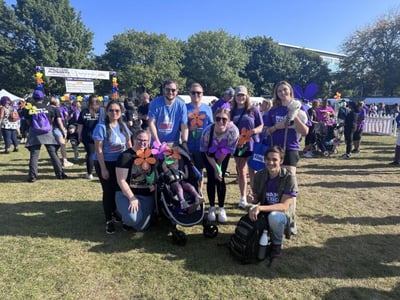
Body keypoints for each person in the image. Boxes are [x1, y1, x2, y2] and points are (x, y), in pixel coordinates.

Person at [263, 81, 309, 235]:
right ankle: (275, 217)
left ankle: (291, 220)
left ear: (290, 91)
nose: (282, 93)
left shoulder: (300, 109)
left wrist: (293, 115)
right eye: (279, 90)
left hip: (290, 150)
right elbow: (266, 131)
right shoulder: (273, 110)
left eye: (285, 90)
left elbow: (305, 131)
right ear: (276, 93)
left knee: (289, 186)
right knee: (275, 184)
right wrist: (277, 126)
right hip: (275, 150)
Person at [249, 146, 298, 258]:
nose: (271, 162)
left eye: (275, 159)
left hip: (281, 215)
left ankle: (276, 244)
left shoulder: (289, 178)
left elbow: (284, 206)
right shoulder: (259, 175)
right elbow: (256, 198)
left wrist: (260, 208)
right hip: (265, 211)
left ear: (281, 160)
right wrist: (252, 198)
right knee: (251, 211)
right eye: (268, 159)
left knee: (274, 216)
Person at [92, 100, 132, 234]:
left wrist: (132, 161)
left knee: (119, 189)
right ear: (107, 112)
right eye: (111, 110)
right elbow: (99, 150)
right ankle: (108, 219)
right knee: (108, 191)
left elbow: (129, 144)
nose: (114, 113)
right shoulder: (101, 127)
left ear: (121, 113)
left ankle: (116, 213)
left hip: (120, 163)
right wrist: (103, 168)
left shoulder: (123, 126)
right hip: (105, 162)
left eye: (117, 111)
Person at [200, 108, 239, 223]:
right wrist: (215, 168)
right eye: (218, 119)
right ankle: (212, 207)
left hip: (223, 154)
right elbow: (207, 152)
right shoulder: (207, 132)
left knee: (220, 179)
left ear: (229, 120)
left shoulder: (233, 132)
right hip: (209, 154)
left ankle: (221, 208)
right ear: (214, 119)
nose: (221, 122)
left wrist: (219, 167)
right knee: (211, 177)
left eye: (224, 119)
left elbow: (228, 150)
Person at [115, 130, 156, 231]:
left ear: (149, 141)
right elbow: (121, 180)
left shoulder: (152, 155)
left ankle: (141, 213)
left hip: (145, 194)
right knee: (132, 220)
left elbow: (154, 173)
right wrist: (132, 198)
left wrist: (154, 184)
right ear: (134, 139)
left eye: (145, 140)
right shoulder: (125, 156)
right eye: (139, 140)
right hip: (127, 194)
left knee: (141, 227)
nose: (142, 143)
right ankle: (122, 215)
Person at [230, 85, 263, 209]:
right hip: (239, 146)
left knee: (253, 170)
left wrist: (254, 131)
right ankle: (243, 197)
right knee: (241, 171)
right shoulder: (232, 112)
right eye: (238, 95)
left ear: (246, 96)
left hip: (253, 144)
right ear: (235, 97)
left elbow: (261, 126)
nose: (240, 97)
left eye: (243, 95)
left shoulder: (253, 110)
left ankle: (253, 195)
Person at [24, 90, 67, 182]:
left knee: (34, 155)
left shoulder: (29, 108)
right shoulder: (49, 108)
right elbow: (51, 120)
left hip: (34, 133)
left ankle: (32, 176)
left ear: (34, 98)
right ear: (43, 98)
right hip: (47, 132)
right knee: (53, 154)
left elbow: (27, 121)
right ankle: (60, 174)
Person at [186, 83, 213, 193]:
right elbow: (179, 126)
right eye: (193, 92)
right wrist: (189, 128)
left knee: (200, 170)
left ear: (202, 94)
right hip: (188, 145)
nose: (196, 95)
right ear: (189, 94)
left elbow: (212, 126)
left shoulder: (207, 109)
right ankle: (192, 193)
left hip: (203, 146)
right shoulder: (185, 107)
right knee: (190, 170)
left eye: (198, 93)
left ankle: (200, 192)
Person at [148, 80, 188, 146]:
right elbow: (151, 123)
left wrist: (184, 142)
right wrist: (157, 142)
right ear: (164, 90)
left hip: (174, 144)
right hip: (157, 143)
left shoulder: (181, 105)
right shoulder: (154, 103)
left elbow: (184, 125)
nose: (170, 92)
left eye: (173, 90)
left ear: (177, 91)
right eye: (168, 89)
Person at [77, 95, 101, 179]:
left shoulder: (84, 111)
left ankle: (89, 173)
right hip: (99, 135)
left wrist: (79, 135)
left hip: (87, 135)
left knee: (90, 154)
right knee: (99, 153)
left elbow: (80, 125)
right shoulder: (101, 111)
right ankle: (99, 171)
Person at [50, 97, 74, 167]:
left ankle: (55, 160)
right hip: (56, 128)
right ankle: (65, 161)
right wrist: (63, 130)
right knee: (62, 144)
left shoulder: (47, 108)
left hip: (49, 129)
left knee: (54, 146)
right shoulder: (56, 109)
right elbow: (59, 121)